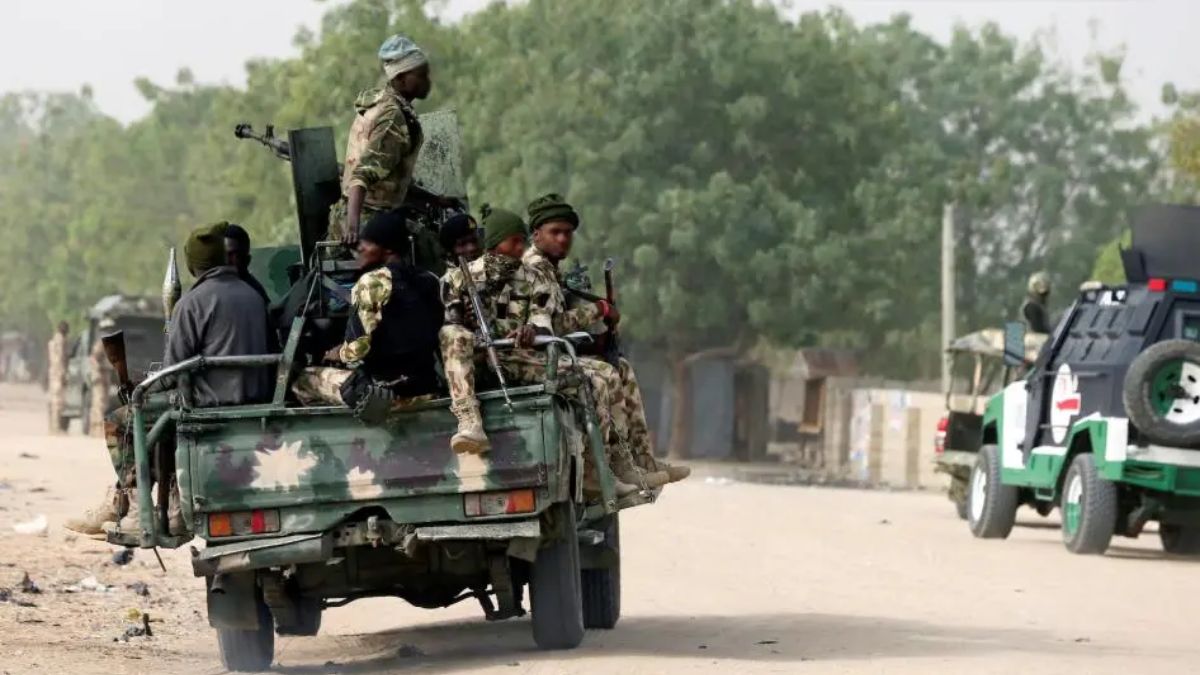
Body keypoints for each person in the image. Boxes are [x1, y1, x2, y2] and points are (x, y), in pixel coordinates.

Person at [65, 222, 274, 536]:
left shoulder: (192, 302)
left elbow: (172, 372)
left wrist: (144, 385)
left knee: (124, 419)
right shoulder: (255, 296)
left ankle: (135, 510)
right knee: (156, 413)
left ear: (193, 265)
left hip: (207, 405)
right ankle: (167, 508)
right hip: (255, 400)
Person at [440, 206, 641, 496]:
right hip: (473, 362)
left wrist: (531, 332)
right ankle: (469, 421)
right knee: (452, 333)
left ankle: (598, 471)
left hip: (518, 358)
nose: (520, 248)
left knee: (599, 378)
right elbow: (450, 320)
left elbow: (545, 323)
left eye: (522, 242)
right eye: (513, 242)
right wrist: (465, 320)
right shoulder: (458, 278)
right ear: (495, 242)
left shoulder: (535, 277)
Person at [525, 193, 689, 486]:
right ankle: (608, 470)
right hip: (535, 357)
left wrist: (596, 342)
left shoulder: (549, 268)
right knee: (606, 376)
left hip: (552, 353)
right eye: (555, 232)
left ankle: (642, 461)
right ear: (537, 234)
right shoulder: (535, 268)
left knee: (621, 368)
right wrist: (598, 310)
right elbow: (550, 327)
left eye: (568, 233)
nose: (563, 239)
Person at [292, 209, 443, 407]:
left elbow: (355, 350)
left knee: (304, 380)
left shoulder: (372, 282)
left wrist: (336, 353)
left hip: (386, 396)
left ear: (388, 249)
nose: (360, 248)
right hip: (427, 389)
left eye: (369, 243)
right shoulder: (430, 280)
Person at [329, 34, 433, 246]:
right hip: (368, 219)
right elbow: (361, 175)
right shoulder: (392, 117)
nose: (427, 81)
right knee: (431, 247)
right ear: (401, 78)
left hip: (362, 213)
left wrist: (434, 199)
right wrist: (353, 228)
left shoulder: (383, 104)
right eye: (421, 75)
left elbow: (389, 178)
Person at [86, 318, 116, 437]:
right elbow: (93, 359)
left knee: (103, 403)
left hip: (105, 376)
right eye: (108, 329)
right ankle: (97, 430)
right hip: (100, 377)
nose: (110, 331)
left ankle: (96, 430)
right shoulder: (101, 343)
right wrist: (97, 374)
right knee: (99, 402)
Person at [46, 321, 69, 434]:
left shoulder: (52, 341)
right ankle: (56, 427)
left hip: (52, 372)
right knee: (58, 401)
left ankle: (52, 427)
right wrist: (63, 374)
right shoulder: (60, 341)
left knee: (53, 400)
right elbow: (60, 358)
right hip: (58, 373)